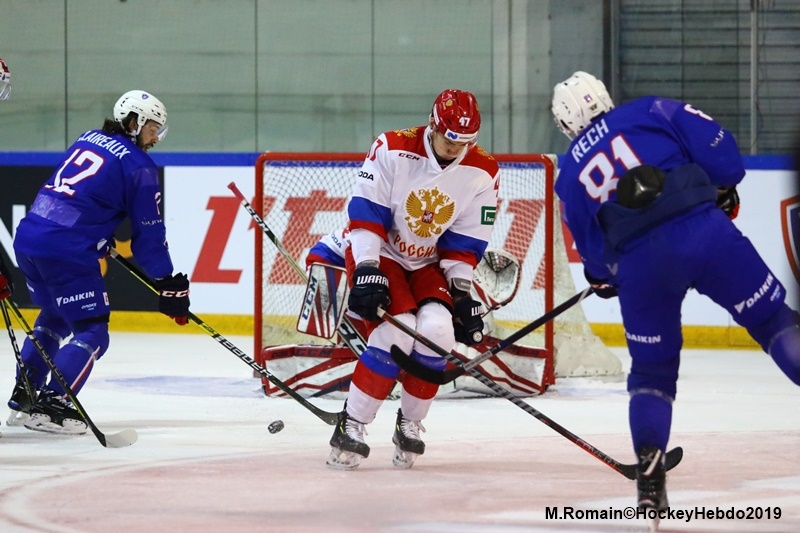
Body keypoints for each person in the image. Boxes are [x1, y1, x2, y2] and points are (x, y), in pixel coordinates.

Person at [551, 71, 800, 512]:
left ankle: (650, 483)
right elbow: (724, 156)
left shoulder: (568, 174)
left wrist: (605, 277)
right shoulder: (650, 109)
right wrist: (719, 188)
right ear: (605, 97)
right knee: (774, 322)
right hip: (704, 232)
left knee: (652, 375)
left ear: (565, 124)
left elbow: (595, 260)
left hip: (643, 267)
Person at [326, 89, 499, 470]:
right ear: (433, 126)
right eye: (450, 140)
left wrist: (462, 293)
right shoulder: (392, 148)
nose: (456, 149)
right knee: (398, 330)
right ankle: (351, 423)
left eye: (465, 142)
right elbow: (367, 213)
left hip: (427, 263)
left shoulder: (483, 171)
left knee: (438, 331)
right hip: (381, 253)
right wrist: (367, 267)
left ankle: (411, 423)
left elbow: (465, 243)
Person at [8, 90, 191, 434]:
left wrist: (97, 233)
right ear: (134, 122)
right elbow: (149, 233)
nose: (155, 137)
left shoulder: (88, 138)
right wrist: (167, 280)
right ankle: (54, 405)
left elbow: (80, 195)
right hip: (66, 250)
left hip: (29, 238)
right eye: (153, 128)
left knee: (55, 316)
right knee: (92, 330)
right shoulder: (139, 165)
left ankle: (25, 395)